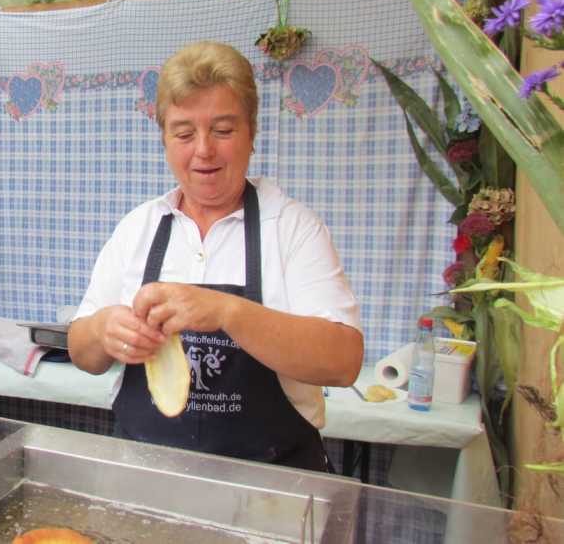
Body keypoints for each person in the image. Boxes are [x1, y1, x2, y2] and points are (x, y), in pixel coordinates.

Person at [67, 41, 363, 472]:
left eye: (223, 130)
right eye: (184, 133)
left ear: (251, 133)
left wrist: (227, 312)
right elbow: (82, 354)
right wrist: (102, 330)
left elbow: (343, 362)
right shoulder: (139, 228)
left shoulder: (293, 227)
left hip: (270, 489)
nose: (203, 150)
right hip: (146, 476)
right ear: (165, 138)